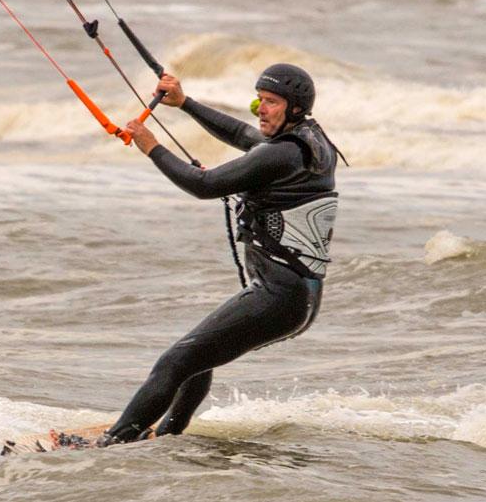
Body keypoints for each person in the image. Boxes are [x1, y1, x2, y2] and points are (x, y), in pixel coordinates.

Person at [100, 63, 342, 445]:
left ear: (294, 109)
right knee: (197, 359)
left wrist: (151, 146)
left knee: (174, 362)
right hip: (297, 298)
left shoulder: (282, 155)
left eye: (272, 102)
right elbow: (243, 134)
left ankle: (114, 442)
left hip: (279, 296)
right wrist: (185, 104)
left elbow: (204, 184)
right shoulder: (310, 141)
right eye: (259, 100)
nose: (261, 109)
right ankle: (168, 437)